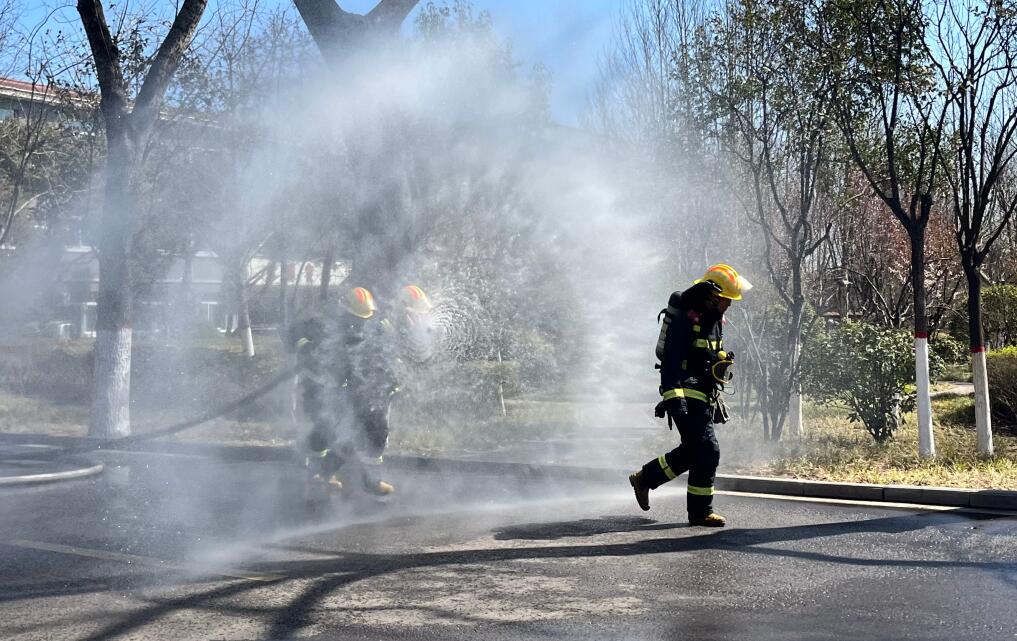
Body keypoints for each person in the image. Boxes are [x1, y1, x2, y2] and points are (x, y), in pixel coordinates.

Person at [629, 264, 752, 526]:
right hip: (684, 391)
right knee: (708, 448)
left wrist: (719, 360)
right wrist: (674, 398)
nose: (730, 304)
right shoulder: (687, 317)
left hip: (703, 392)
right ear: (713, 296)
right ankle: (698, 511)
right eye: (726, 299)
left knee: (695, 450)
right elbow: (671, 359)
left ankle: (646, 479)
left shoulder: (715, 320)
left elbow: (706, 352)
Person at [287, 286, 398, 498]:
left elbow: (389, 350)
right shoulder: (324, 322)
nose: (361, 322)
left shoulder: (379, 324)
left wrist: (387, 377)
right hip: (323, 386)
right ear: (344, 309)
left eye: (365, 317)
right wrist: (307, 350)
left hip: (359, 388)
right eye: (355, 317)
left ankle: (369, 479)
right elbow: (295, 334)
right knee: (326, 429)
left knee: (373, 430)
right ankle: (318, 474)